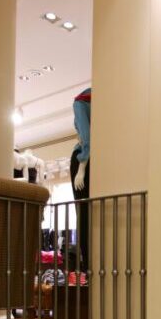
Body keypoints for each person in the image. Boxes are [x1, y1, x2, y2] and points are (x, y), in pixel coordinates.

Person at [71, 88, 91, 271]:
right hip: (96, 159)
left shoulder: (80, 102)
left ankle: (87, 266)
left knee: (83, 213)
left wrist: (81, 167)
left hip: (82, 160)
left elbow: (86, 136)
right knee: (90, 214)